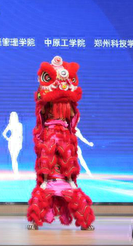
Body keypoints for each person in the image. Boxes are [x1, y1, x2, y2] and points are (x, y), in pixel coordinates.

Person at [27, 56, 95, 231]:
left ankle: (69, 181)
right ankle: (48, 182)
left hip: (63, 134)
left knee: (67, 161)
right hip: (51, 133)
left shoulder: (67, 103)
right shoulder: (46, 101)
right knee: (47, 158)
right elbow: (41, 113)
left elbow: (72, 116)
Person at [2, 112, 23, 177]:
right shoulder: (10, 125)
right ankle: (16, 173)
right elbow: (4, 133)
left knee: (14, 158)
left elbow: (21, 135)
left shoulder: (19, 125)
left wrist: (20, 143)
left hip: (17, 142)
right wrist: (8, 139)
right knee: (13, 158)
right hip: (11, 142)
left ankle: (16, 173)